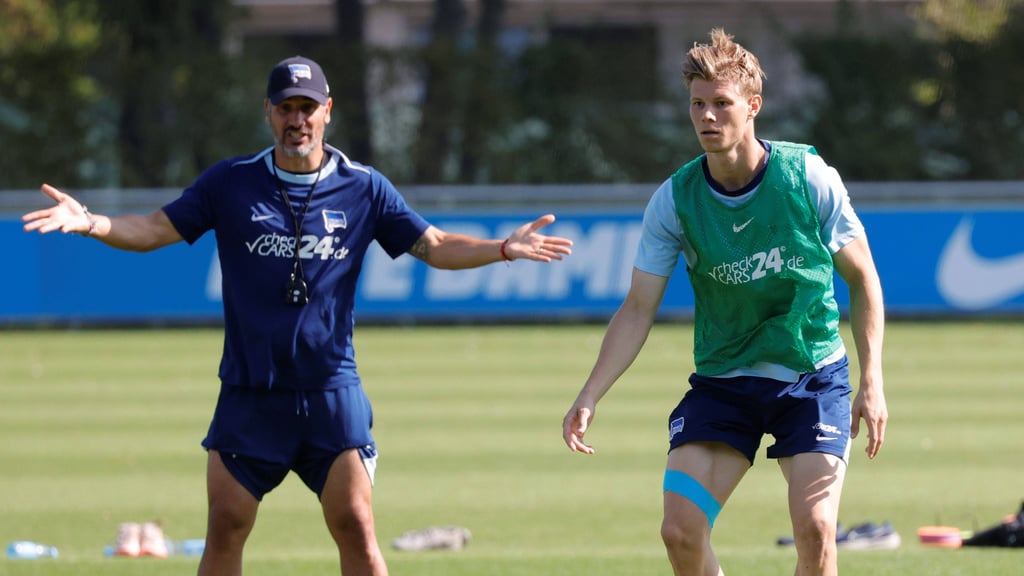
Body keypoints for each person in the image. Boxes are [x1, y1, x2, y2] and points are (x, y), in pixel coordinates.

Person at [23, 55, 572, 576]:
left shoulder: (364, 188)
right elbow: (151, 230)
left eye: (307, 107)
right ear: (268, 112)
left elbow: (434, 245)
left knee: (357, 528)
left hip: (330, 393)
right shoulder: (231, 182)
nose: (297, 120)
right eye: (286, 107)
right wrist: (90, 220)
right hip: (250, 394)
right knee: (226, 529)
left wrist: (502, 247)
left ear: (327, 110)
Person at [561, 29, 887, 576]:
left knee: (815, 531)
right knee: (680, 531)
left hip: (811, 377)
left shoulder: (806, 176)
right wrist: (590, 392)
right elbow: (639, 307)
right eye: (697, 104)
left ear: (753, 106)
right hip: (726, 381)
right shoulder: (675, 200)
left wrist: (872, 378)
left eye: (721, 103)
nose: (707, 117)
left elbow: (863, 279)